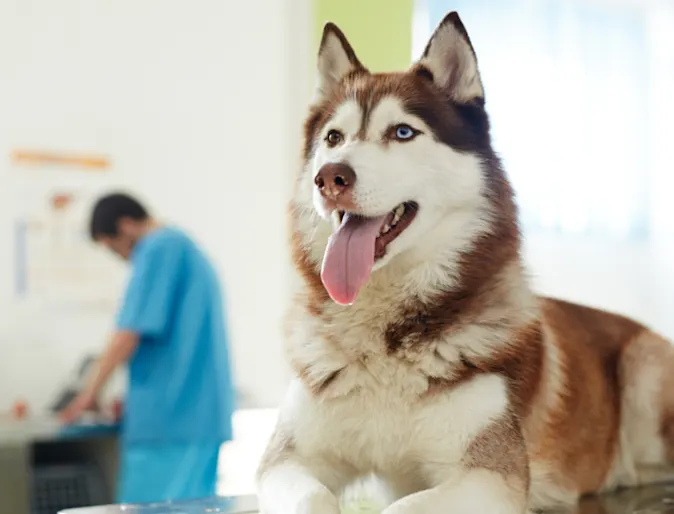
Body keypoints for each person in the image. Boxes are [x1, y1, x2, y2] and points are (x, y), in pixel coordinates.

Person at [59, 192, 235, 504]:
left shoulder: (158, 247)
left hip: (170, 422)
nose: (122, 258)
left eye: (114, 249)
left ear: (126, 227)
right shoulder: (185, 248)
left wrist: (88, 394)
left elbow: (126, 334)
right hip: (196, 416)